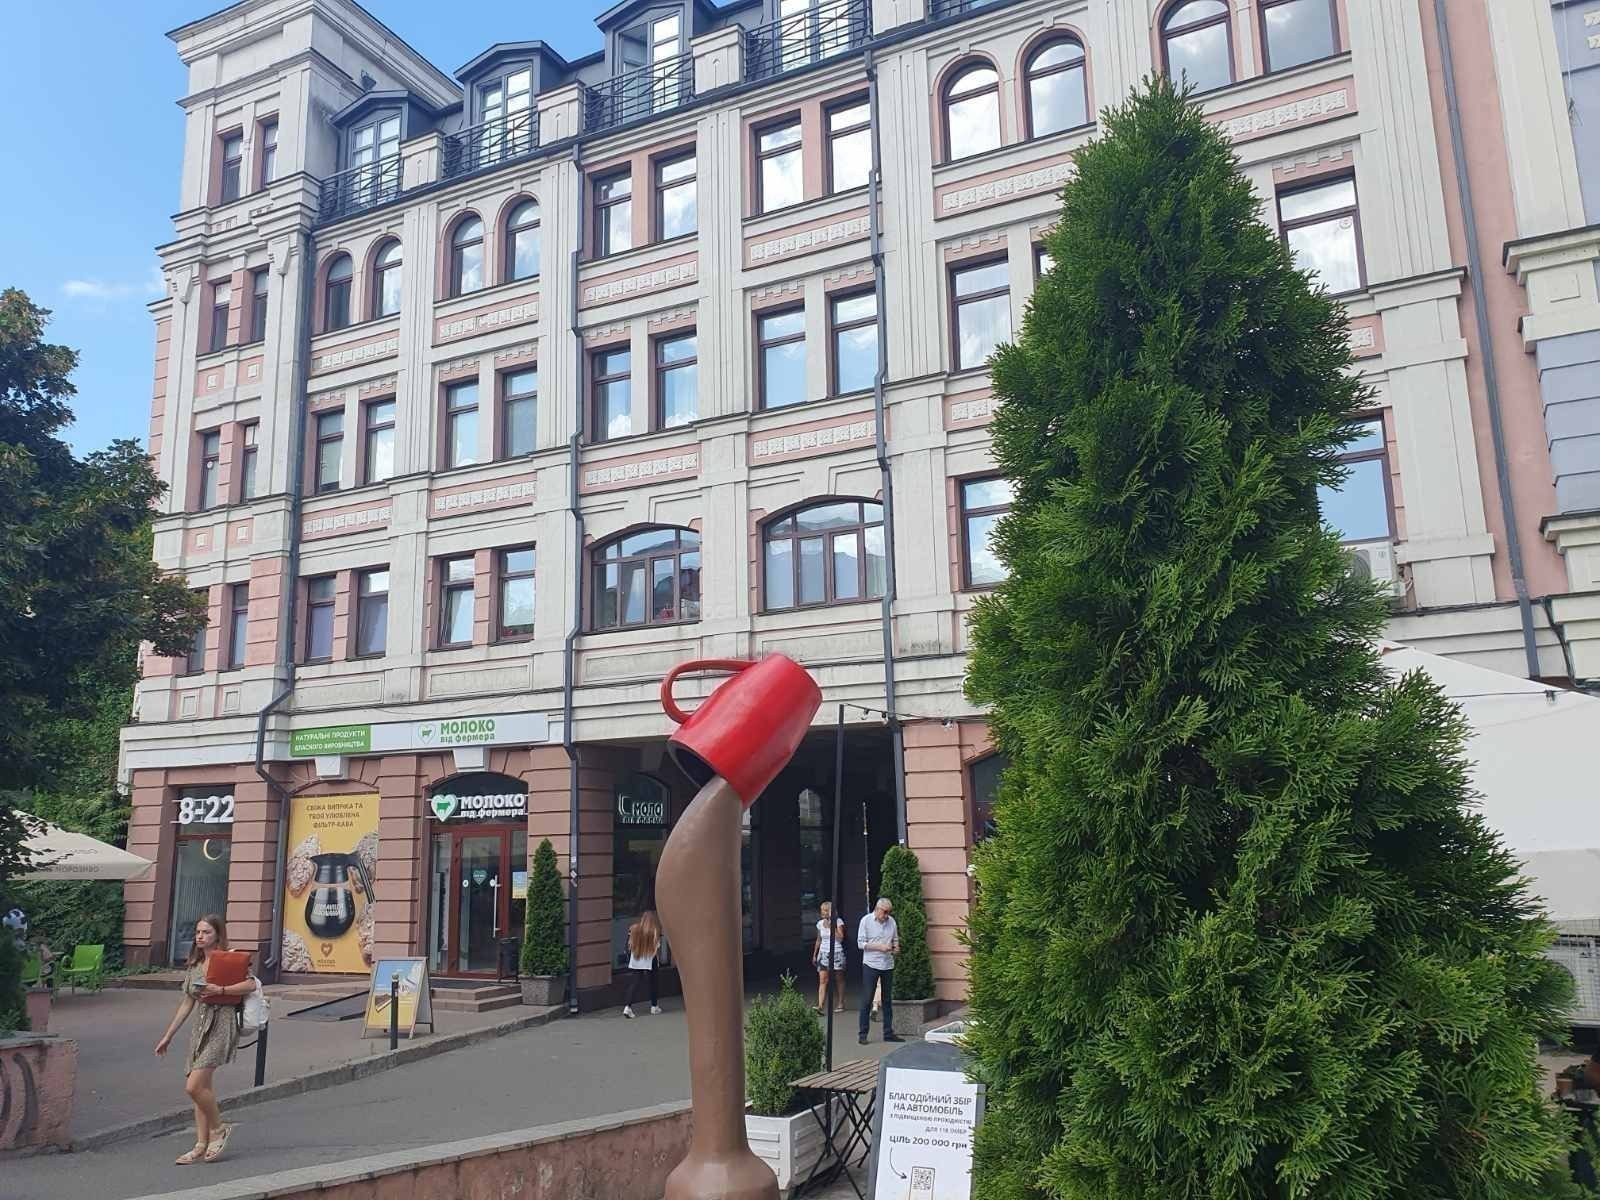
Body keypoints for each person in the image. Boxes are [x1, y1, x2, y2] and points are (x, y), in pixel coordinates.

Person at [154, 914, 249, 1164]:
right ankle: (200, 1144)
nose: (200, 936)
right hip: (200, 1028)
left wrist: (222, 990)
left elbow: (250, 985)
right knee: (201, 1089)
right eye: (198, 932)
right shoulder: (195, 966)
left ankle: (219, 1129)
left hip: (222, 1025)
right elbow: (187, 1004)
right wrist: (168, 1036)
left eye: (206, 932)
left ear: (218, 935)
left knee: (194, 1086)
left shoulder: (229, 958)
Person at [857, 897, 902, 1045]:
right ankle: (863, 1034)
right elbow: (860, 943)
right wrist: (879, 947)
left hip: (887, 964)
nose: (887, 915)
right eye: (885, 912)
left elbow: (895, 939)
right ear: (877, 909)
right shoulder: (866, 921)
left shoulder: (891, 922)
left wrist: (896, 947)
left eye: (889, 912)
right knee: (867, 999)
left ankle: (888, 1033)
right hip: (871, 964)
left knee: (887, 1000)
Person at [622, 909, 664, 1019]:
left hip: (636, 958)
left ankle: (627, 1007)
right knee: (653, 982)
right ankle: (654, 1006)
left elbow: (628, 945)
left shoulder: (634, 928)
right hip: (650, 958)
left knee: (634, 983)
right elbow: (657, 948)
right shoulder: (654, 931)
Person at [813, 901, 846, 1013]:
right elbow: (819, 939)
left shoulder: (838, 921)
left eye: (825, 910)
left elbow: (841, 938)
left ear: (831, 912)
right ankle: (820, 1006)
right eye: (822, 910)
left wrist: (832, 927)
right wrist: (815, 954)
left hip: (836, 952)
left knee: (839, 979)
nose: (823, 912)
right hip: (823, 953)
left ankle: (841, 1003)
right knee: (823, 980)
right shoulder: (820, 924)